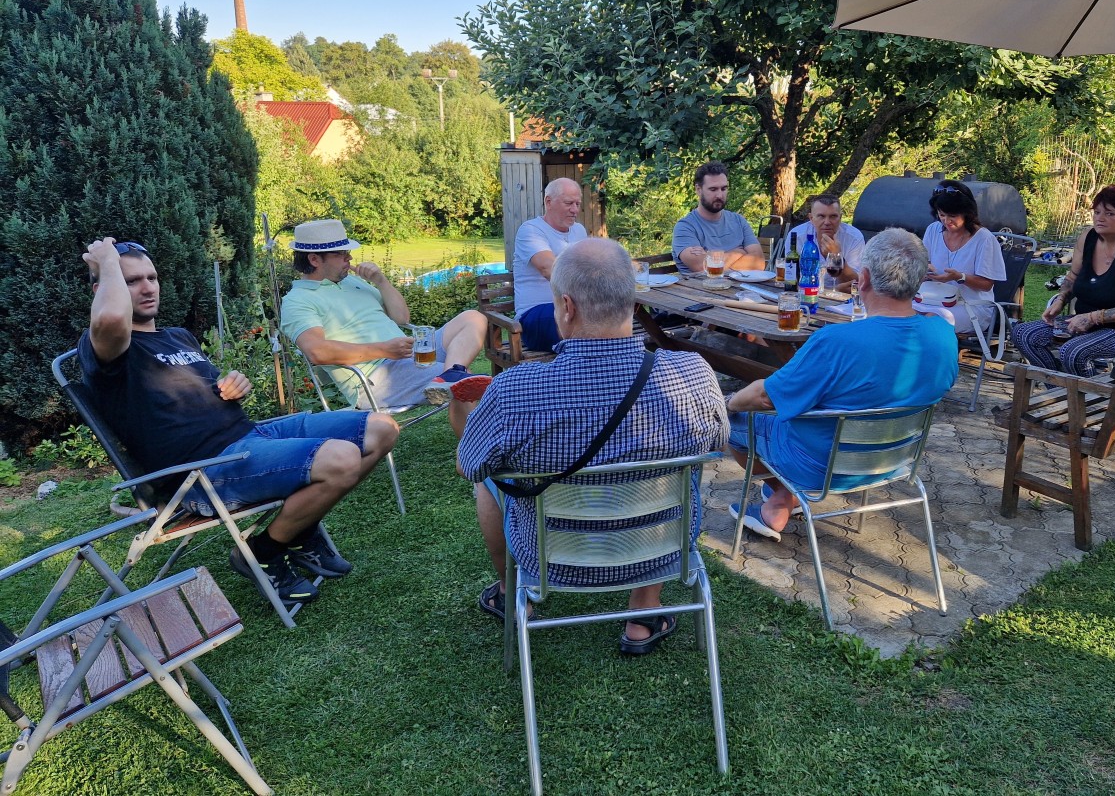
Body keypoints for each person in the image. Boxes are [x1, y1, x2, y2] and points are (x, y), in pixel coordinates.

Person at [78, 237, 399, 604]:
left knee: (382, 428)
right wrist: (106, 259)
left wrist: (235, 384)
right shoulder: (108, 349)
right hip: (205, 470)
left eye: (151, 277)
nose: (147, 288)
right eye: (131, 281)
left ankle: (298, 530)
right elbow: (110, 318)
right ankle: (262, 552)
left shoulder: (177, 337)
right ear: (103, 290)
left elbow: (214, 387)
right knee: (341, 459)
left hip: (252, 435)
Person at [453, 238, 727, 656]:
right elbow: (718, 440)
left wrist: (464, 413)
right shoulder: (692, 374)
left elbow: (469, 465)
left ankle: (511, 593)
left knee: (486, 482)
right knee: (675, 469)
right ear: (633, 302)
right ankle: (643, 613)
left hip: (551, 560)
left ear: (566, 307)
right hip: (661, 550)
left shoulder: (515, 391)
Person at [723, 228, 959, 540]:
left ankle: (784, 490)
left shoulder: (836, 341)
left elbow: (766, 397)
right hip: (895, 462)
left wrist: (728, 404)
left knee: (732, 421)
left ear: (864, 278)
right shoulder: (944, 335)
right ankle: (782, 498)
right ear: (919, 281)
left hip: (819, 468)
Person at [281, 219, 490, 410]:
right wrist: (384, 349)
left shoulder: (351, 281)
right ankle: (454, 384)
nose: (349, 258)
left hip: (407, 353)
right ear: (314, 259)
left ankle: (451, 375)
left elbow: (402, 318)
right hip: (375, 377)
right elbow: (317, 351)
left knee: (473, 318)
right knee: (464, 384)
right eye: (340, 254)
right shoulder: (298, 300)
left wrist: (381, 281)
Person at [1012, 184, 1115, 377]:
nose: (1100, 218)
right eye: (1097, 212)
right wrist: (1061, 300)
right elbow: (1073, 277)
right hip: (1085, 322)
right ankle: (1061, 389)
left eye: (1110, 214)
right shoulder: (1088, 237)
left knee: (1073, 352)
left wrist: (1093, 317)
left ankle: (1087, 394)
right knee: (1023, 334)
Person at [511, 178, 589, 354]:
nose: (575, 210)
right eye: (568, 203)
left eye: (577, 204)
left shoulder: (579, 231)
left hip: (573, 308)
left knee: (613, 311)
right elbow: (550, 270)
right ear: (548, 201)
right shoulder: (531, 230)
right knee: (597, 317)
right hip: (534, 315)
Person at [921, 180, 1007, 335]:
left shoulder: (984, 239)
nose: (946, 221)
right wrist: (924, 269)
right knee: (901, 313)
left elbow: (986, 285)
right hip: (935, 299)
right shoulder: (933, 230)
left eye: (952, 216)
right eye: (942, 215)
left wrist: (960, 277)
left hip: (972, 306)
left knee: (931, 321)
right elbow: (922, 262)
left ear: (967, 213)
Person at [672, 161, 766, 273]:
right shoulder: (686, 227)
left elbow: (759, 263)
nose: (720, 195)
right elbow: (702, 267)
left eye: (723, 189)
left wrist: (712, 259)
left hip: (739, 285)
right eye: (713, 189)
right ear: (698, 189)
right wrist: (738, 252)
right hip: (699, 285)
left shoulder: (738, 221)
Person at [784, 193, 866, 288]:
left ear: (840, 218)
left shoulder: (854, 237)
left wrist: (836, 258)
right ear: (811, 218)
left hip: (840, 294)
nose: (827, 222)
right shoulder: (797, 236)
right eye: (821, 216)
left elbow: (856, 283)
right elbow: (791, 276)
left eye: (833, 216)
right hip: (806, 290)